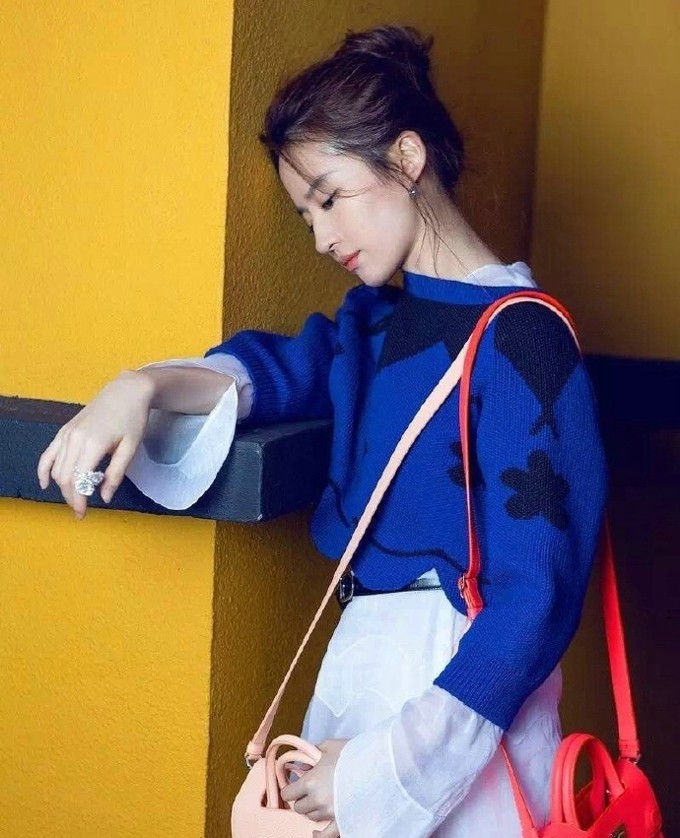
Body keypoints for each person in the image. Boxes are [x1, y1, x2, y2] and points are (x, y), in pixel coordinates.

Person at [37, 24, 607, 838]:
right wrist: (140, 386)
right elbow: (272, 373)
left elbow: (537, 594)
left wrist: (387, 771)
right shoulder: (374, 322)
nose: (320, 237)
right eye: (305, 213)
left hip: (459, 703)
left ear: (406, 158)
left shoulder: (525, 339)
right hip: (359, 673)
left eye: (330, 198)